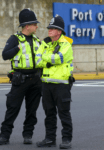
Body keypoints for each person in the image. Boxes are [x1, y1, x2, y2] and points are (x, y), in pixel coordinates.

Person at [0, 8, 42, 145]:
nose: (37, 26)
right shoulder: (14, 39)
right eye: (35, 24)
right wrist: (17, 48)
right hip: (20, 79)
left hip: (36, 80)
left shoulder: (37, 40)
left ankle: (28, 135)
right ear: (27, 26)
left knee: (32, 110)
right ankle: (4, 135)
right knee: (12, 108)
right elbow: (5, 55)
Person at [35, 15, 74, 149]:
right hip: (46, 84)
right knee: (49, 114)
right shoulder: (44, 43)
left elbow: (59, 58)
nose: (49, 30)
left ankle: (66, 139)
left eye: (52, 28)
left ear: (59, 31)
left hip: (61, 85)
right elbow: (37, 61)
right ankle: (50, 139)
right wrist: (49, 59)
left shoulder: (66, 45)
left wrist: (45, 57)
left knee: (64, 113)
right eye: (49, 28)